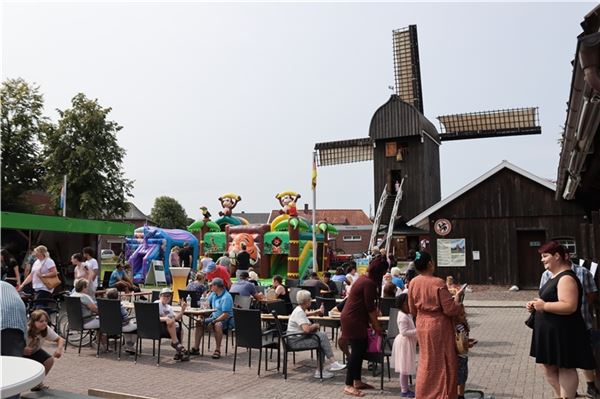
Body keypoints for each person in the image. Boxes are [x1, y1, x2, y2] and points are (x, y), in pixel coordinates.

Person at [527, 241, 595, 399]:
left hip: (563, 331)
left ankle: (567, 396)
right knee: (548, 368)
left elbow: (569, 306)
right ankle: (563, 396)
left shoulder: (566, 278)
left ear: (557, 256)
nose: (542, 260)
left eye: (545, 256)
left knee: (566, 367)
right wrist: (536, 305)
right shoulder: (553, 276)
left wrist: (544, 306)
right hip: (551, 331)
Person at [408, 251, 464, 399]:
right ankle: (443, 394)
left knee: (426, 361)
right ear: (430, 264)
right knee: (445, 361)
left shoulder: (413, 282)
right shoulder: (437, 282)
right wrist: (457, 300)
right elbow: (450, 309)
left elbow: (412, 308)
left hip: (421, 323)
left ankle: (423, 394)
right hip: (439, 325)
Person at [340, 254, 387, 397]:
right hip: (353, 320)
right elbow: (370, 308)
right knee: (356, 352)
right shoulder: (369, 283)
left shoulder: (364, 280)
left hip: (354, 318)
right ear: (380, 272)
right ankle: (348, 385)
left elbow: (369, 306)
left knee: (360, 350)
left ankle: (357, 380)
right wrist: (377, 326)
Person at [287, 289, 346, 378]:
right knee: (321, 338)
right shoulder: (299, 312)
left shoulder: (299, 309)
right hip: (295, 341)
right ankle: (330, 364)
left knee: (321, 338)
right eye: (310, 299)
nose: (311, 300)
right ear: (306, 301)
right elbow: (306, 330)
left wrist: (316, 312)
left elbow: (305, 315)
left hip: (295, 339)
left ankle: (323, 368)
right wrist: (315, 326)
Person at [190, 278, 234, 358]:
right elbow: (206, 305)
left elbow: (226, 314)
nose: (210, 287)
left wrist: (213, 322)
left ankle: (217, 350)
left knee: (218, 325)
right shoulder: (213, 294)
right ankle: (196, 348)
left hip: (226, 320)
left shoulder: (226, 297)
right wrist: (200, 315)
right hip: (214, 317)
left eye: (211, 285)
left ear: (216, 286)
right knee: (199, 322)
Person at [24, 309, 65, 391]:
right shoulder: (26, 329)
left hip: (35, 352)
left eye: (46, 321)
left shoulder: (46, 329)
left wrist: (59, 349)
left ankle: (37, 383)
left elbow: (60, 339)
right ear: (33, 322)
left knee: (49, 360)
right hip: (20, 353)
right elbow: (11, 342)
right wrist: (22, 349)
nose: (44, 323)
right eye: (41, 321)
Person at [391, 293, 417, 398]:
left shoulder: (407, 314)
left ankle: (405, 388)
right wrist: (418, 331)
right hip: (404, 343)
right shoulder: (402, 317)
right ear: (403, 304)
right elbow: (404, 332)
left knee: (405, 366)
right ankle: (404, 390)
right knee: (404, 367)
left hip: (408, 342)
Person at [155, 287, 189, 361]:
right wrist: (166, 318)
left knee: (180, 329)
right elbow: (154, 317)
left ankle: (178, 352)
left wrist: (182, 310)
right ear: (160, 296)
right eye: (164, 295)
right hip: (158, 328)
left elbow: (176, 318)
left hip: (168, 328)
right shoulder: (157, 303)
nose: (166, 297)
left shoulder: (169, 307)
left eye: (168, 296)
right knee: (171, 322)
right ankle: (175, 343)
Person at [105, 288, 137, 354]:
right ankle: (130, 346)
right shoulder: (119, 305)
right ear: (117, 296)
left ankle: (128, 345)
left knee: (128, 325)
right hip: (120, 326)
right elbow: (125, 317)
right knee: (136, 325)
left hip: (107, 326)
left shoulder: (104, 304)